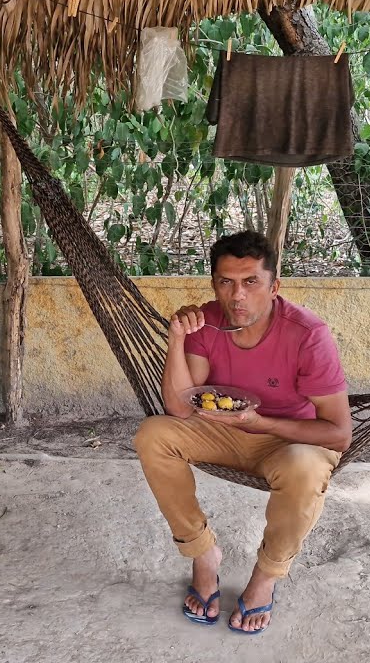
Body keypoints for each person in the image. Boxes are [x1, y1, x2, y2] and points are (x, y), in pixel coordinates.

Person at [134, 231, 350, 634]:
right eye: (226, 282)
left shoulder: (307, 334)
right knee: (153, 435)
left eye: (251, 282)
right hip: (223, 433)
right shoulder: (206, 321)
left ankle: (266, 577)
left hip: (290, 441)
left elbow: (339, 434)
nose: (237, 296)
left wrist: (261, 423)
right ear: (214, 283)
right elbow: (179, 408)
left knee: (305, 469)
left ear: (274, 285)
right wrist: (177, 340)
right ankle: (202, 554)